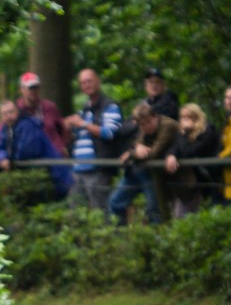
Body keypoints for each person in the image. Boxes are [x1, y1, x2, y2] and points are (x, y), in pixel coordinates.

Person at [108, 103, 179, 225]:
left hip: (161, 174)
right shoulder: (143, 128)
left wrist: (131, 154)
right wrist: (136, 150)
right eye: (142, 124)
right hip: (141, 170)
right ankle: (120, 236)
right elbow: (138, 144)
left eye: (148, 122)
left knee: (155, 211)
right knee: (115, 202)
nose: (146, 127)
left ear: (155, 117)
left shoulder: (167, 126)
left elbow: (154, 152)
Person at [64, 69, 124, 211]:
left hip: (98, 169)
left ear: (98, 81)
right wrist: (68, 127)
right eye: (83, 83)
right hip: (78, 169)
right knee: (75, 209)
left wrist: (83, 124)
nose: (86, 85)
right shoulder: (84, 110)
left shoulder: (110, 106)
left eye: (89, 81)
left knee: (100, 211)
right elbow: (76, 136)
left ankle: (105, 234)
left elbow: (110, 133)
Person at [0, 100, 72, 199]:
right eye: (4, 114)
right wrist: (2, 158)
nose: (8, 116)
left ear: (17, 111)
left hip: (52, 176)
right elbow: (1, 147)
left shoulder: (27, 124)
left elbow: (27, 152)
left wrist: (10, 160)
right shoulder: (6, 129)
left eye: (11, 112)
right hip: (35, 177)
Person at [164, 103, 221, 216]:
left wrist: (185, 134)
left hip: (208, 179)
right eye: (183, 117)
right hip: (190, 182)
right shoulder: (183, 133)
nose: (186, 120)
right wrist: (171, 155)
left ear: (197, 117)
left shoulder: (208, 130)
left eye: (189, 117)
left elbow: (188, 153)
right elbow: (175, 148)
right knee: (180, 215)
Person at [16, 71, 68, 157]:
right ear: (22, 90)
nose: (34, 90)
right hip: (28, 158)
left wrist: (62, 146)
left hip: (54, 157)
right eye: (30, 88)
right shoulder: (16, 110)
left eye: (36, 87)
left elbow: (63, 129)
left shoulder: (50, 107)